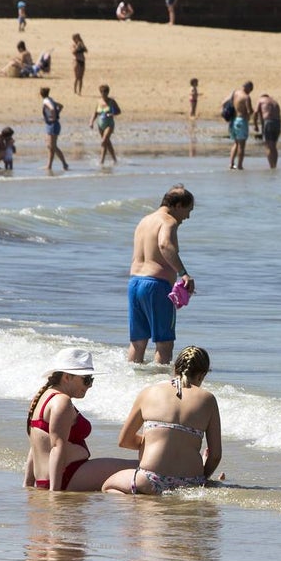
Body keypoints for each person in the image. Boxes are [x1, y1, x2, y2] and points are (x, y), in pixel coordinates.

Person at [103, 346, 222, 494]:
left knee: (108, 486)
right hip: (191, 482)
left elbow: (124, 441)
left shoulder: (149, 392)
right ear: (202, 375)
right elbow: (215, 455)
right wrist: (202, 478)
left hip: (151, 479)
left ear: (175, 368)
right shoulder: (208, 400)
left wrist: (155, 439)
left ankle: (139, 501)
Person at [24, 348, 137, 491]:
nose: (90, 385)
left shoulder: (42, 397)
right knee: (140, 468)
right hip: (66, 477)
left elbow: (36, 445)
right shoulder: (61, 402)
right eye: (86, 380)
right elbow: (57, 448)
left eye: (91, 380)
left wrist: (28, 484)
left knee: (132, 471)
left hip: (49, 479)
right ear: (67, 377)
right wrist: (55, 494)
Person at [128, 184, 196, 365]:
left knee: (137, 342)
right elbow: (164, 245)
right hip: (156, 286)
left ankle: (132, 380)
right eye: (188, 211)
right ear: (178, 205)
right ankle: (159, 387)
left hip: (135, 283)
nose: (187, 217)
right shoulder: (168, 221)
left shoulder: (144, 221)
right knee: (164, 344)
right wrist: (184, 274)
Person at [89, 84, 121, 166]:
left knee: (104, 141)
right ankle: (114, 159)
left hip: (109, 124)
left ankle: (101, 161)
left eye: (105, 92)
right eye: (102, 92)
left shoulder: (111, 101)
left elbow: (118, 111)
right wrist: (91, 122)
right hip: (100, 124)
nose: (103, 94)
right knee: (107, 142)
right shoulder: (98, 101)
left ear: (108, 92)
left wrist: (111, 114)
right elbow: (95, 113)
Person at [226, 81, 254, 170]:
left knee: (236, 143)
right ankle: (240, 166)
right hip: (242, 121)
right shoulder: (246, 97)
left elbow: (225, 102)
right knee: (242, 145)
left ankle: (231, 164)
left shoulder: (235, 93)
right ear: (248, 88)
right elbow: (249, 111)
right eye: (251, 90)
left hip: (233, 120)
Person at [40, 87, 69, 171]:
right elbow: (60, 106)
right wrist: (57, 114)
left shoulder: (46, 101)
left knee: (52, 146)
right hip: (51, 124)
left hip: (52, 124)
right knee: (50, 146)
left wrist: (53, 117)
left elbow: (52, 108)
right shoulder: (50, 99)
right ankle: (49, 166)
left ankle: (64, 163)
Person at [252, 93, 281, 169]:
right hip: (277, 122)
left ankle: (271, 167)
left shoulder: (261, 100)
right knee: (274, 146)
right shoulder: (274, 101)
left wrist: (255, 125)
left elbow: (255, 112)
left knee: (268, 146)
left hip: (268, 122)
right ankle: (274, 166)